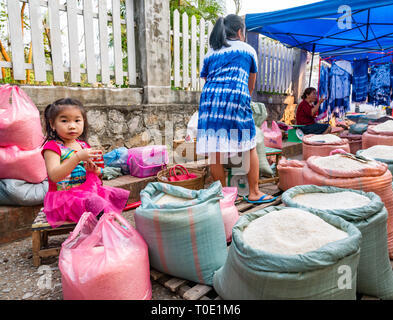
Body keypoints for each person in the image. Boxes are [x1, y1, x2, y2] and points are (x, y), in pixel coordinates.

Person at [196, 14, 276, 204]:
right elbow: (251, 81)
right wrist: (243, 99)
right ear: (240, 31)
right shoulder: (247, 50)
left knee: (216, 149)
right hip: (236, 98)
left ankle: (223, 195)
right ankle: (255, 192)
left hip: (209, 102)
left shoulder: (211, 52)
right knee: (249, 145)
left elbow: (208, 80)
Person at [41, 98, 130, 227]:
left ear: (83, 122)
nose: (72, 126)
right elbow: (54, 176)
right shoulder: (52, 147)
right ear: (52, 124)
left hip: (85, 191)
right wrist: (77, 157)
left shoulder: (83, 145)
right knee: (96, 202)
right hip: (63, 200)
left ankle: (105, 228)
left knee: (117, 195)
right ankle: (106, 230)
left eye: (77, 120)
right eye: (64, 121)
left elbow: (96, 175)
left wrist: (94, 171)